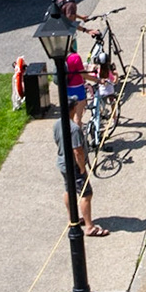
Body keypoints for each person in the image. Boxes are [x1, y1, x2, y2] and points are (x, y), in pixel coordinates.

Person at [53, 91, 108, 237]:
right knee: (86, 194)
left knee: (68, 189)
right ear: (73, 109)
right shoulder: (74, 129)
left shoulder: (57, 124)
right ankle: (90, 227)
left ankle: (73, 218)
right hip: (74, 166)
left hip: (62, 163)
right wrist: (82, 167)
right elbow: (77, 151)